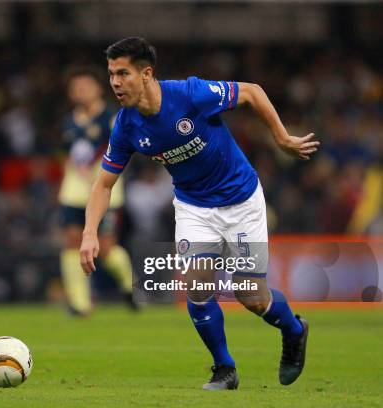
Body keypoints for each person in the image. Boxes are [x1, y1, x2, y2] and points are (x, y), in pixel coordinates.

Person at [80, 37, 318, 390]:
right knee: (196, 286)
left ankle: (295, 331)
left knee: (251, 297)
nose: (115, 82)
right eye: (112, 74)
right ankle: (225, 368)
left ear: (146, 74)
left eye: (123, 73)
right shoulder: (126, 125)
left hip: (241, 200)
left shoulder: (190, 94)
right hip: (194, 206)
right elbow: (103, 184)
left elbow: (252, 92)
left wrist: (281, 139)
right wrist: (89, 232)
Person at [58, 66, 136, 316]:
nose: (80, 92)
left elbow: (123, 148)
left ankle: (128, 285)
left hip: (105, 188)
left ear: (97, 90)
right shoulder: (69, 121)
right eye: (75, 89)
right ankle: (79, 303)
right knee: (72, 242)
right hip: (74, 190)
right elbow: (64, 152)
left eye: (85, 87)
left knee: (106, 247)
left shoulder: (113, 118)